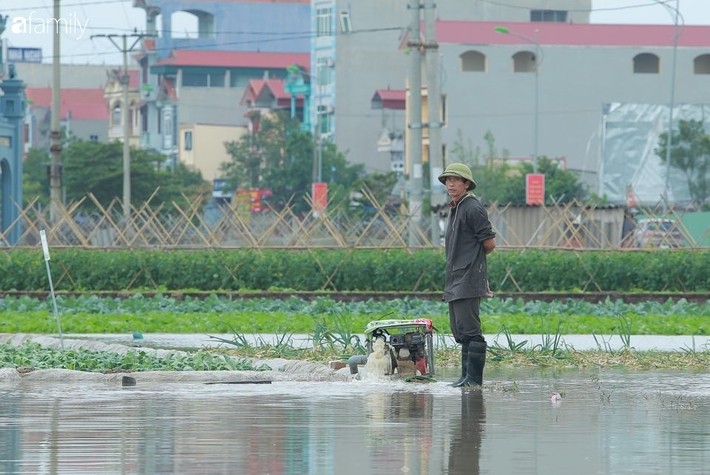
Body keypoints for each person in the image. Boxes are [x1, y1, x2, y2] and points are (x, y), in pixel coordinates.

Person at [438, 163, 496, 387]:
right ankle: (465, 377)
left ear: (466, 184)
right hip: (455, 277)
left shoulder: (472, 207)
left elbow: (489, 243)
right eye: (447, 180)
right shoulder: (455, 207)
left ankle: (474, 380)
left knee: (471, 330)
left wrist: (476, 269)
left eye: (456, 180)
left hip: (468, 278)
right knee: (460, 330)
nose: (451, 184)